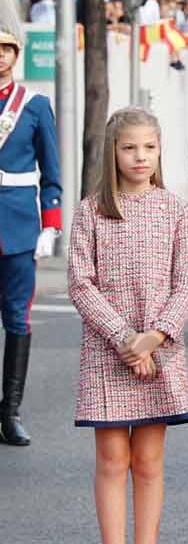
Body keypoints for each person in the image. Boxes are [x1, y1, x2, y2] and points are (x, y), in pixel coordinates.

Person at [67, 107, 188, 542]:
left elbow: (185, 283)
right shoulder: (91, 212)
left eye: (149, 147)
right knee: (110, 458)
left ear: (160, 150)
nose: (140, 156)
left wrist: (153, 338)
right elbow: (81, 284)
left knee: (148, 459)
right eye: (129, 147)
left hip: (161, 349)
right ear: (113, 152)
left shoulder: (175, 210)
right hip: (108, 351)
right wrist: (127, 340)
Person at [0, 30, 61, 446]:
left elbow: (51, 170)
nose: (0, 56)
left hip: (18, 225)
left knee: (17, 318)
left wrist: (51, 223)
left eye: (6, 49)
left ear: (16, 55)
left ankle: (10, 412)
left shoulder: (35, 106)